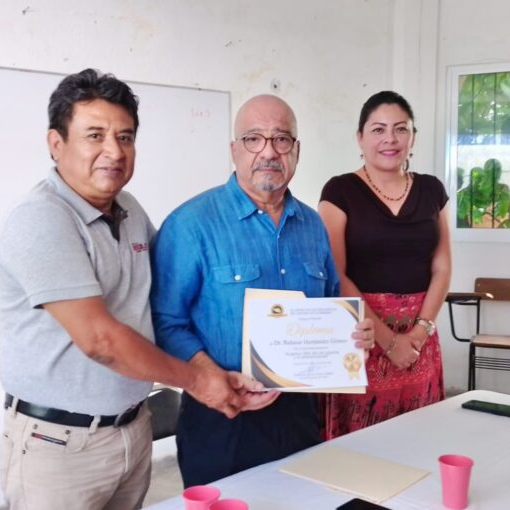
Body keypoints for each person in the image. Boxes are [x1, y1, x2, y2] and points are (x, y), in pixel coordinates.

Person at [0, 69, 260, 510]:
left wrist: (239, 358)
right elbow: (100, 340)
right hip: (59, 447)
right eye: (94, 135)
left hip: (132, 432)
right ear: (56, 144)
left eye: (126, 137)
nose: (113, 152)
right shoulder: (41, 219)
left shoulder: (129, 210)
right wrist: (199, 380)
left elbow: (175, 288)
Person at [150, 94, 375, 487]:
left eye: (282, 139)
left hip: (300, 413)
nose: (268, 152)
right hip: (221, 417)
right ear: (234, 150)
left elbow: (330, 307)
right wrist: (211, 376)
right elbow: (165, 321)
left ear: (297, 151)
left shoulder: (311, 225)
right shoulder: (190, 225)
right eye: (254, 139)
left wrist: (356, 335)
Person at [317, 91, 451, 439]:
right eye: (378, 129)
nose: (390, 139)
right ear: (360, 137)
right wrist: (390, 341)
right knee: (360, 448)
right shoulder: (339, 191)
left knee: (418, 441)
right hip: (362, 336)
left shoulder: (432, 190)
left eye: (400, 129)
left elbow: (442, 267)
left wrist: (418, 335)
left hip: (420, 340)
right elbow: (336, 274)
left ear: (413, 137)